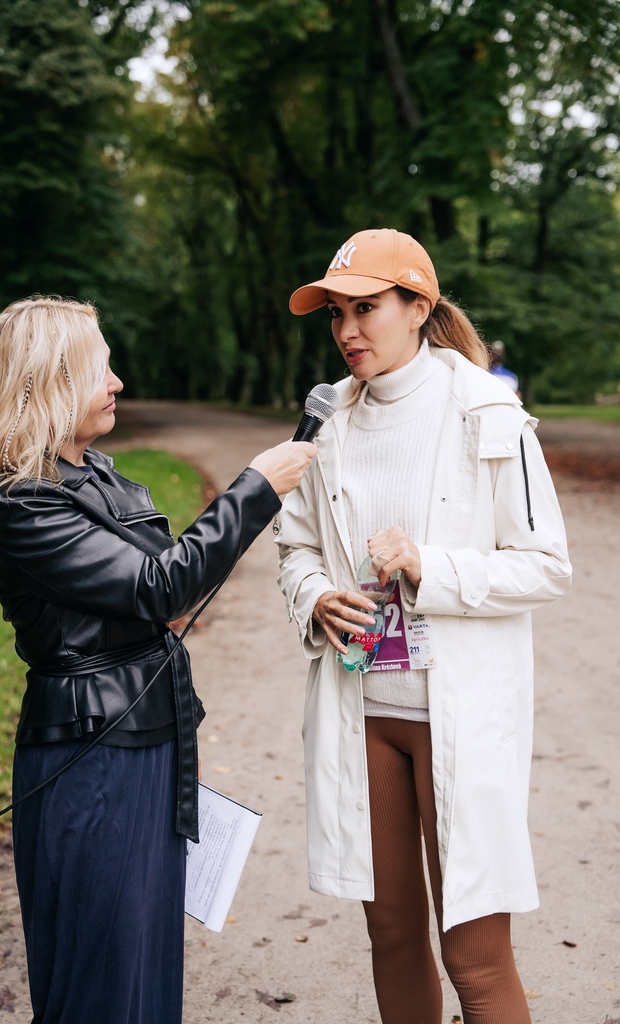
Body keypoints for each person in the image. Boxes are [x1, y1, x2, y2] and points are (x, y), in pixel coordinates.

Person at [0, 295, 317, 1024]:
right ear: (48, 380)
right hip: (91, 758)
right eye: (101, 369)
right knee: (101, 974)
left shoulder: (98, 475)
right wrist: (255, 486)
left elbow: (170, 594)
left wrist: (169, 589)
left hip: (152, 744)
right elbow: (164, 586)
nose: (117, 382)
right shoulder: (20, 503)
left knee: (145, 966)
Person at [275, 228, 572, 1024]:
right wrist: (316, 597)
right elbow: (294, 546)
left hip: (456, 715)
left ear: (417, 307)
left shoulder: (488, 413)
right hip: (361, 710)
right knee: (391, 934)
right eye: (335, 313)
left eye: (364, 308)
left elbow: (546, 565)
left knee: (474, 956)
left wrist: (426, 567)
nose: (346, 331)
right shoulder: (326, 422)